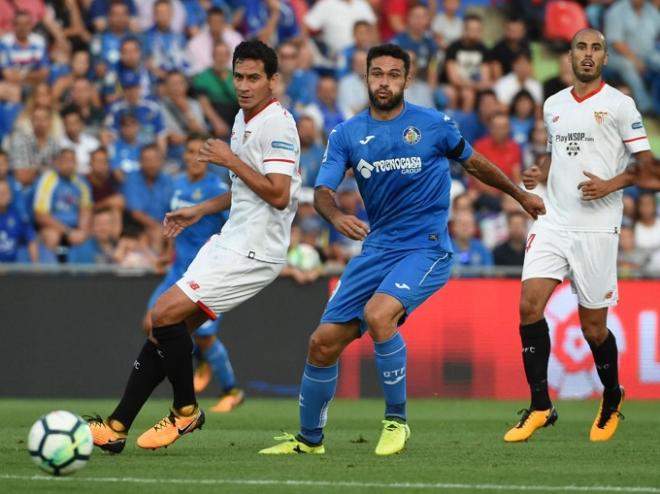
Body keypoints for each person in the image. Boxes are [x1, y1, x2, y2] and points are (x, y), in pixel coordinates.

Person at [259, 43, 545, 457]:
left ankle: (397, 421)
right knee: (321, 343)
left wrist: (519, 195)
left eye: (394, 74)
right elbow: (321, 191)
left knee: (379, 315)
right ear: (367, 77)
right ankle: (309, 441)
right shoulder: (347, 133)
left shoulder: (433, 124)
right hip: (377, 249)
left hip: (425, 248)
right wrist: (336, 217)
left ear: (407, 80)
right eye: (378, 73)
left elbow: (476, 163)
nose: (385, 81)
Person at [88, 40, 301, 453]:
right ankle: (116, 427)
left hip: (254, 249)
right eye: (238, 76)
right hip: (233, 239)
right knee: (165, 332)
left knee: (162, 314)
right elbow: (244, 191)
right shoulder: (244, 119)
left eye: (254, 77)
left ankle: (186, 410)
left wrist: (229, 160)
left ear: (274, 80)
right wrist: (199, 209)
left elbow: (278, 193)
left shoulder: (278, 125)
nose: (244, 85)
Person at [504, 28, 655, 444]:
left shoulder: (620, 106)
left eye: (596, 49)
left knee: (593, 330)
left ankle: (611, 395)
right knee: (528, 306)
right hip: (553, 220)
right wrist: (542, 171)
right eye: (580, 48)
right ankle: (539, 405)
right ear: (568, 57)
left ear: (605, 59)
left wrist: (613, 183)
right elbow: (557, 152)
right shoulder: (552, 105)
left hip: (596, 226)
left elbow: (649, 169)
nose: (587, 55)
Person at [142, 134, 244, 413]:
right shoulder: (177, 186)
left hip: (205, 273)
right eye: (190, 151)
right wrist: (166, 253)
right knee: (151, 325)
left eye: (202, 152)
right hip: (176, 269)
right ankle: (195, 364)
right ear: (184, 156)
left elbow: (235, 226)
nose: (196, 156)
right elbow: (173, 223)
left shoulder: (217, 190)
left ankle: (232, 390)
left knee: (205, 336)